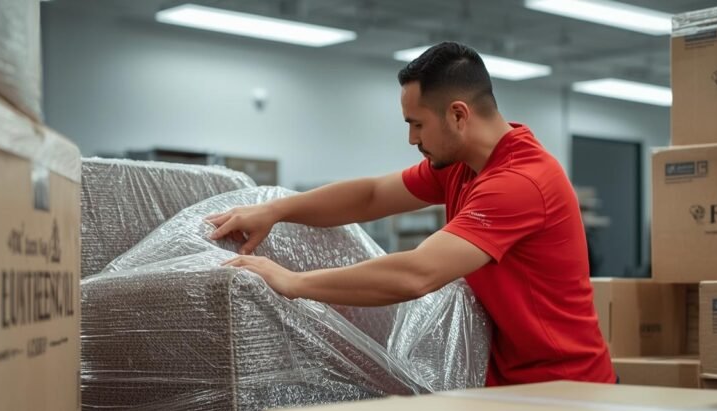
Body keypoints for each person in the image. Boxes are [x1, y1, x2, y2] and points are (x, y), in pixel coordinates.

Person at [208, 41, 615, 387]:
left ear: (458, 115)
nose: (411, 138)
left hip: (566, 389)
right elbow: (371, 196)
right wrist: (275, 210)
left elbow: (416, 273)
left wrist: (292, 282)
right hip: (513, 385)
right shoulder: (463, 165)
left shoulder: (519, 182)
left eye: (417, 124)